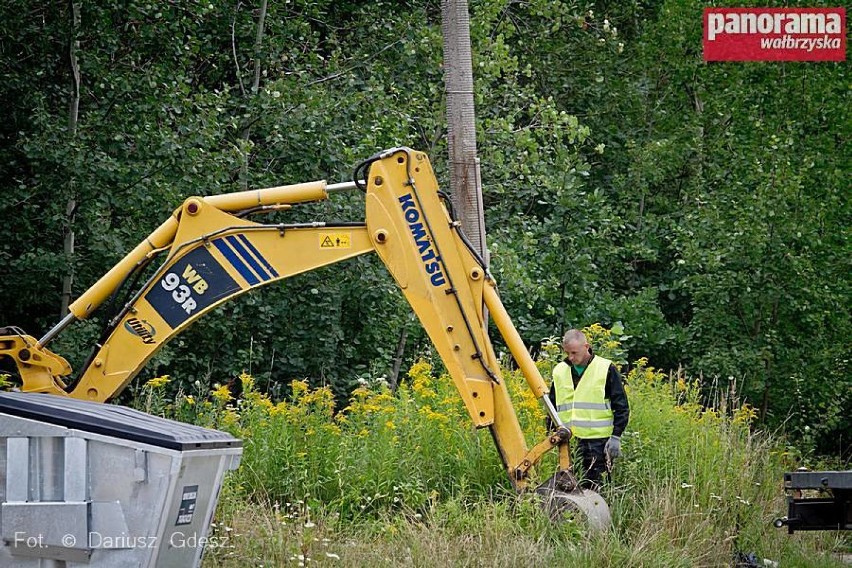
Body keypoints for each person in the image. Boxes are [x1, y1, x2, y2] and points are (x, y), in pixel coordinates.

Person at [549, 329, 629, 489]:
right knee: (570, 486)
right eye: (567, 353)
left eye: (574, 353)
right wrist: (551, 432)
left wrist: (616, 436)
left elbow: (621, 406)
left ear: (586, 347)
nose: (571, 358)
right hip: (568, 440)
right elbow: (552, 404)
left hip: (599, 442)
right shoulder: (560, 371)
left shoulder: (605, 368)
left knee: (597, 487)